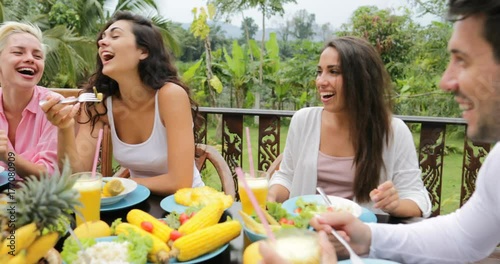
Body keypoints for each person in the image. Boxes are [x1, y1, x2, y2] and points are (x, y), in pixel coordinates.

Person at [310, 0, 500, 263]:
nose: (445, 81)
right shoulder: (498, 163)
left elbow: (418, 198)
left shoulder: (392, 130)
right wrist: (367, 237)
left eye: (462, 60)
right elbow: (462, 237)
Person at [41, 11, 204, 195]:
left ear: (143, 51)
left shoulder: (170, 96)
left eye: (115, 36)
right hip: (137, 205)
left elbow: (180, 182)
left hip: (187, 205)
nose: (101, 42)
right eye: (102, 38)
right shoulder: (98, 104)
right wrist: (65, 128)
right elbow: (78, 174)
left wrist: (120, 184)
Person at [267, 36, 431, 218]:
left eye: (334, 72)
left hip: (364, 239)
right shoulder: (303, 120)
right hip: (306, 233)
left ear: (361, 79)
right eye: (319, 72)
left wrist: (394, 204)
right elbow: (287, 177)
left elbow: (416, 198)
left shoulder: (393, 131)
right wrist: (271, 194)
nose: (321, 81)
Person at [0, 21, 62, 179]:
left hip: (38, 201)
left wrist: (9, 155)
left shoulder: (53, 105)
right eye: (18, 52)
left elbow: (51, 175)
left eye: (37, 56)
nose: (30, 59)